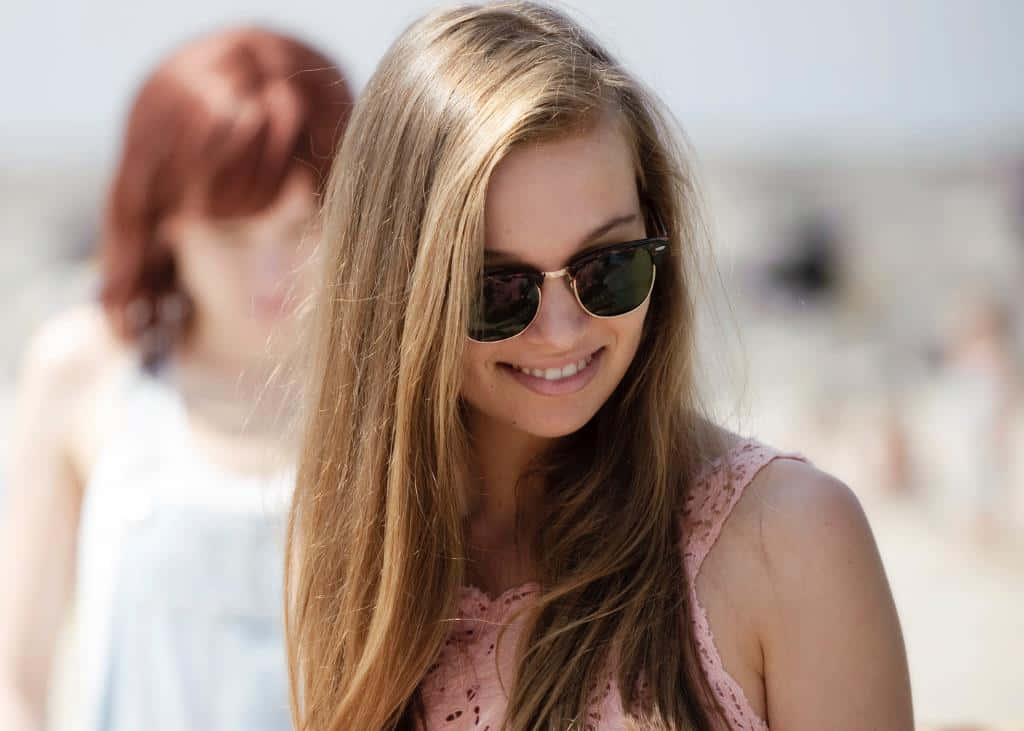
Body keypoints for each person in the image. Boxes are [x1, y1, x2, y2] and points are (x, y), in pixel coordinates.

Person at [285, 3, 913, 729]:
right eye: (496, 289)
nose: (562, 331)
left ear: (657, 238)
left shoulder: (795, 539)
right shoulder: (351, 552)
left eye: (607, 267)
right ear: (398, 292)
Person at [0, 27, 352, 731]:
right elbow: (17, 679)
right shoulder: (85, 370)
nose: (271, 275)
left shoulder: (386, 384)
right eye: (229, 236)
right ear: (164, 226)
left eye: (302, 228)